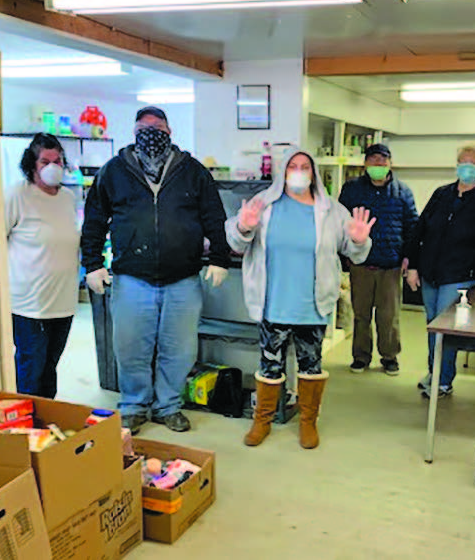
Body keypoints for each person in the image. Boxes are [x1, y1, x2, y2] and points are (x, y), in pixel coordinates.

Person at [81, 106, 230, 434]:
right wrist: (92, 264)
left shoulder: (192, 171)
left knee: (179, 349)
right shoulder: (114, 171)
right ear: (133, 132)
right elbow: (94, 220)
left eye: (157, 126)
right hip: (132, 278)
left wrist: (220, 257)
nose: (151, 132)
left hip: (183, 279)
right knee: (131, 347)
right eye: (143, 127)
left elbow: (214, 216)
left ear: (169, 131)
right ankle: (134, 405)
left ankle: (168, 405)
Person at [226, 150, 374, 449]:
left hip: (313, 304)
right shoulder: (263, 205)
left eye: (305, 167)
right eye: (292, 166)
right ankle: (262, 421)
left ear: (314, 173)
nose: (298, 171)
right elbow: (236, 241)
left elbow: (355, 252)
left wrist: (359, 240)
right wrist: (243, 227)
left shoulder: (332, 210)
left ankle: (308, 421)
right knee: (269, 366)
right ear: (282, 171)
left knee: (311, 366)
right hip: (273, 301)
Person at [406, 142, 475, 398]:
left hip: (460, 276)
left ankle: (443, 379)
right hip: (431, 272)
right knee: (432, 325)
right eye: (464, 162)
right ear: (457, 164)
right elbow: (421, 230)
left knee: (446, 328)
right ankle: (435, 371)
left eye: (474, 164)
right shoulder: (441, 194)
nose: (468, 168)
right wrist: (413, 265)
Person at [5, 133, 79, 398]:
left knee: (50, 367)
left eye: (58, 160)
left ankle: (47, 424)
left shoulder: (68, 198)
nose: (53, 167)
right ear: (32, 164)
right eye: (45, 161)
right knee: (30, 367)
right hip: (29, 304)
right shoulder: (17, 195)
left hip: (63, 301)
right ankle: (23, 427)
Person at [339, 143, 418, 375]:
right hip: (360, 263)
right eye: (373, 160)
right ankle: (361, 356)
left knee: (389, 316)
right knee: (361, 314)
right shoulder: (352, 190)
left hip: (391, 264)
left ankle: (389, 356)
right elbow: (340, 222)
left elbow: (412, 226)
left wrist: (409, 258)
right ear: (365, 164)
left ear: (390, 163)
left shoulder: (403, 192)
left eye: (383, 160)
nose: (378, 165)